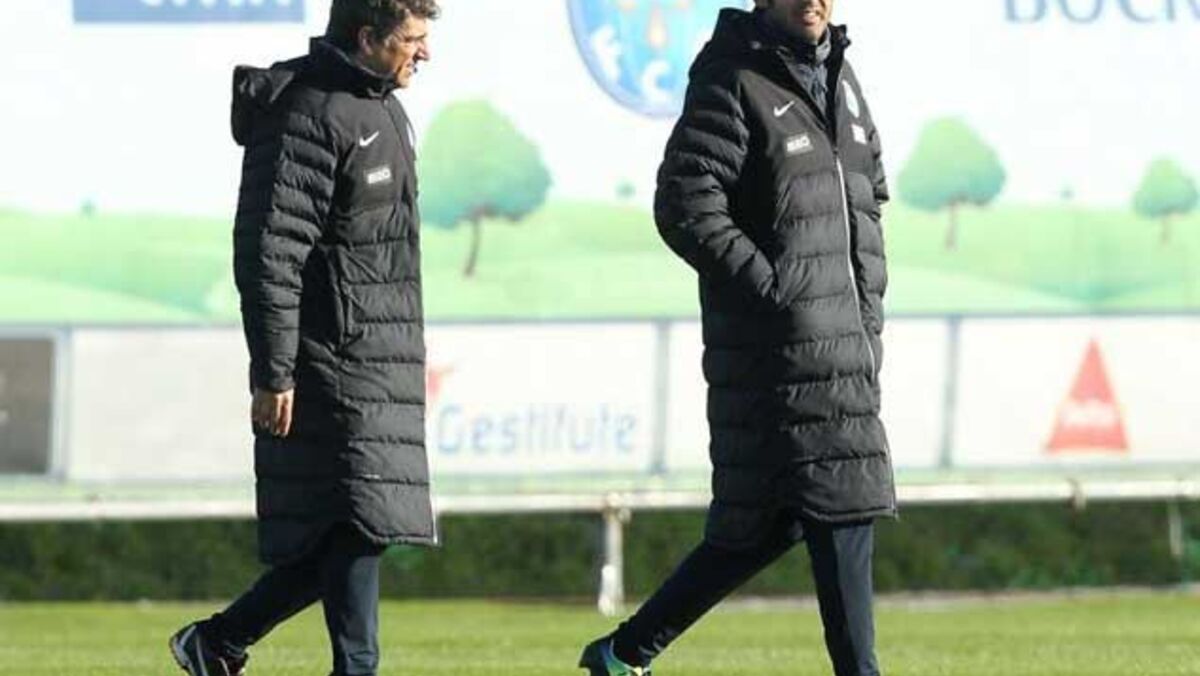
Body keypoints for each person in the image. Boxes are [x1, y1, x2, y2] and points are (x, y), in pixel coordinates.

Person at [579, 1, 894, 675]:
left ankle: (623, 654)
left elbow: (868, 197)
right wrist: (777, 292)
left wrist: (867, 316)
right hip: (781, 357)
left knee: (759, 527)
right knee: (842, 512)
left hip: (846, 352)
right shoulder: (732, 77)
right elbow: (684, 202)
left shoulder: (841, 75)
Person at [169, 1, 439, 674]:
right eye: (413, 39)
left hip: (378, 357)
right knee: (356, 523)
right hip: (328, 358)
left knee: (351, 527)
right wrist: (275, 371)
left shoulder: (382, 109)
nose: (425, 53)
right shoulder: (307, 115)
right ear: (368, 38)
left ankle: (218, 641)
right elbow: (270, 253)